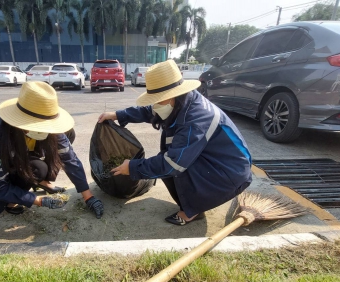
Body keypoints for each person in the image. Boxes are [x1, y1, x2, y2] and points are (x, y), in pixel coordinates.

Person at [98, 60, 252, 226]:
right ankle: (195, 201)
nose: (155, 105)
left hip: (229, 174)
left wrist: (133, 167)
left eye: (158, 100)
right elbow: (151, 111)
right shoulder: (182, 101)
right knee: (167, 162)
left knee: (173, 165)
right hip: (215, 161)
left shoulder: (196, 119)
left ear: (172, 96)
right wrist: (119, 115)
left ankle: (192, 211)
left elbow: (173, 164)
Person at [0, 81, 104, 218]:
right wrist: (36, 200)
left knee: (64, 139)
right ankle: (11, 200)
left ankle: (40, 182)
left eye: (46, 126)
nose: (43, 131)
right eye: (38, 126)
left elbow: (70, 159)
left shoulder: (50, 125)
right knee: (34, 171)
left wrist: (88, 197)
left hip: (20, 154)